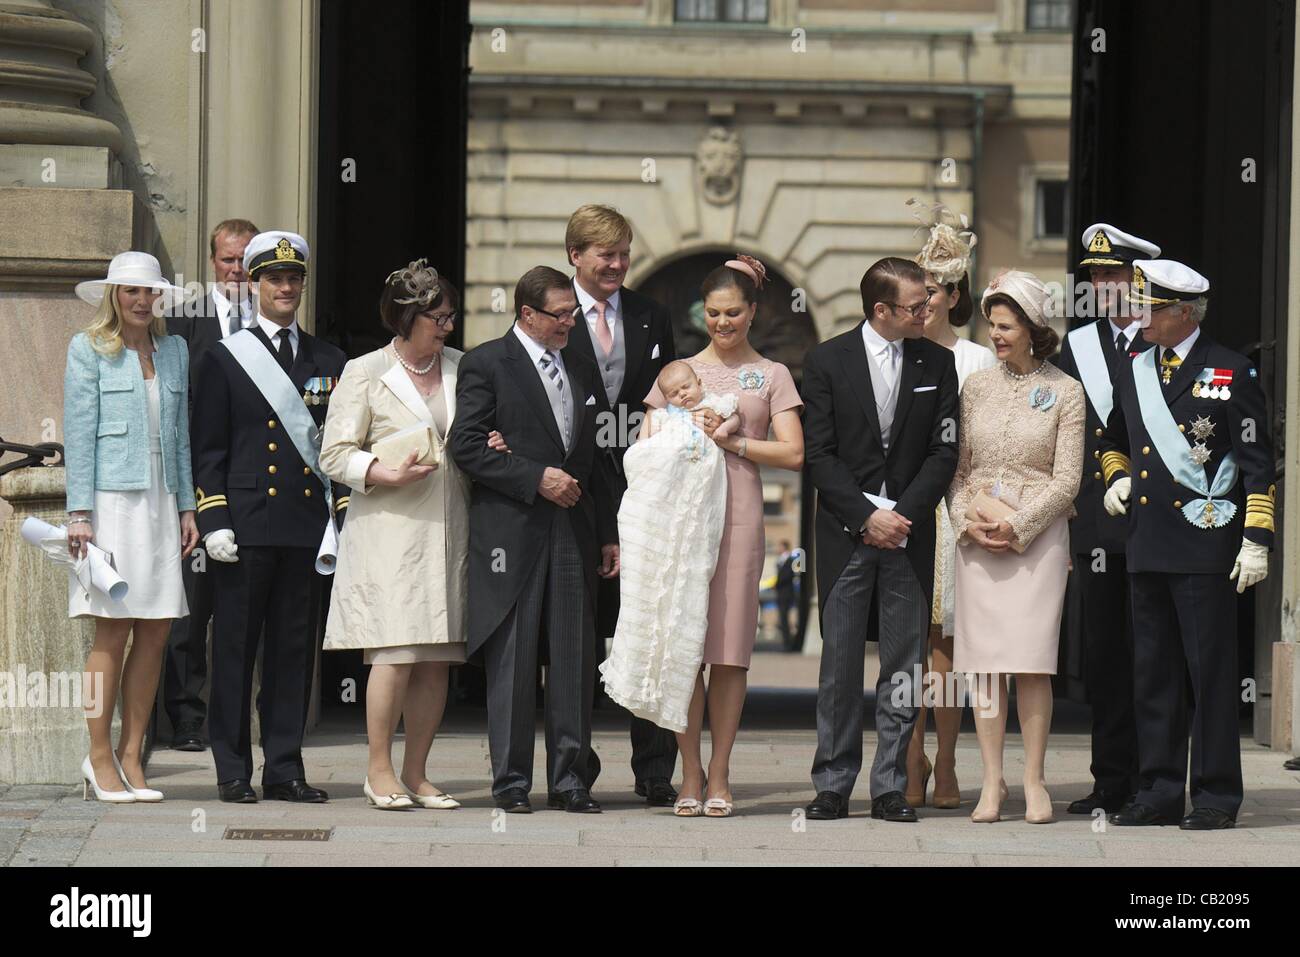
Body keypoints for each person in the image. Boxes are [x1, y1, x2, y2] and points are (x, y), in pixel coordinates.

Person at [1101, 260, 1273, 830]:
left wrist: (1256, 540)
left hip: (1204, 546)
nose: (1140, 315)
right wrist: (1116, 476)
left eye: (1151, 307)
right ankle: (1157, 790)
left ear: (1183, 313)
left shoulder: (1231, 370)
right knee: (1153, 675)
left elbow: (1256, 468)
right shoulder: (1135, 367)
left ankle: (1217, 794)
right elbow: (1112, 438)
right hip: (1148, 543)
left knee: (1210, 675)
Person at [449, 266, 620, 814]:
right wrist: (533, 476)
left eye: (573, 312)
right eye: (561, 315)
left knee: (574, 657)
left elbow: (598, 457)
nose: (572, 322)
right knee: (515, 662)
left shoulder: (580, 363)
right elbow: (467, 446)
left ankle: (572, 781)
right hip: (512, 533)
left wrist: (610, 533)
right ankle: (512, 782)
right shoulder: (486, 362)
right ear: (527, 314)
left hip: (575, 529)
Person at [192, 230, 348, 804]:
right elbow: (207, 448)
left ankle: (284, 768)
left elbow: (337, 445)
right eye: (274, 278)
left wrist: (342, 516)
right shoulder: (224, 357)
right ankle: (232, 769)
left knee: (290, 656)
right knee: (233, 654)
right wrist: (214, 519)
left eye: (294, 278)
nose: (286, 287)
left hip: (305, 527)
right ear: (253, 285)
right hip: (246, 525)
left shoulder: (329, 359)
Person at [645, 254, 804, 817]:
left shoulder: (773, 375)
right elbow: (645, 445)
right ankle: (688, 771)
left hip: (739, 512)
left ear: (753, 312)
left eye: (733, 312)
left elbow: (793, 453)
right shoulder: (677, 372)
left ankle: (720, 772)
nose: (722, 323)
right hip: (682, 519)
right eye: (713, 313)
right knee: (687, 647)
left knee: (731, 651)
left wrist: (734, 443)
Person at [803, 257, 957, 823]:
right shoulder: (825, 360)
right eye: (917, 306)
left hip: (909, 536)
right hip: (847, 534)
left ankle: (891, 784)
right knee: (840, 665)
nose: (928, 311)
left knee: (905, 668)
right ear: (881, 310)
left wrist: (904, 515)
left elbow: (946, 450)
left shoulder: (937, 362)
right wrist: (866, 516)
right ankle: (833, 783)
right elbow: (818, 453)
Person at [318, 260, 468, 810]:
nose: (447, 327)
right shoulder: (365, 370)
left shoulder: (462, 367)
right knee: (396, 652)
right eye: (437, 318)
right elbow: (333, 453)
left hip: (450, 527)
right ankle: (378, 769)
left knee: (436, 656)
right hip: (389, 529)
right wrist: (383, 473)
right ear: (406, 318)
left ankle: (419, 772)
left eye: (450, 317)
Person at [948, 269, 1085, 824]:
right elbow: (957, 472)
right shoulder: (975, 387)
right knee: (983, 668)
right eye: (991, 326)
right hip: (978, 537)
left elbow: (1068, 478)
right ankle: (991, 781)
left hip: (1039, 539)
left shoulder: (1066, 391)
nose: (996, 336)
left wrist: (1020, 526)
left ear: (1033, 328)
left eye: (1005, 327)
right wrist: (967, 521)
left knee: (1031, 664)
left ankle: (1033, 779)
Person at [63, 251, 199, 802]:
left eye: (150, 292)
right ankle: (98, 756)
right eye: (130, 292)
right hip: (110, 504)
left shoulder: (176, 351)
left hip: (162, 502)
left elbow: (182, 435)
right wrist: (78, 514)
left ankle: (131, 755)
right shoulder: (88, 348)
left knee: (159, 628)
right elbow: (78, 431)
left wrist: (189, 507)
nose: (142, 301)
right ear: (113, 296)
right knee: (111, 628)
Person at [558, 204, 680, 806]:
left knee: (651, 625)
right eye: (605, 254)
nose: (617, 264)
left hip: (645, 491)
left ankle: (655, 767)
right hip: (575, 493)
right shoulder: (551, 316)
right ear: (575, 255)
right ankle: (574, 767)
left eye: (624, 252)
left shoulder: (653, 316)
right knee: (576, 635)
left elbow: (673, 398)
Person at [1054, 223, 1160, 815]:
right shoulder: (1079, 345)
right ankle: (1110, 777)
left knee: (1154, 651)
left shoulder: (1163, 337)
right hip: (1097, 521)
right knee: (1106, 653)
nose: (1102, 284)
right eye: (1095, 275)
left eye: (1113, 274)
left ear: (1138, 278)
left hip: (1154, 518)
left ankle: (1157, 775)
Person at [904, 201, 995, 809]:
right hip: (905, 507)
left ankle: (947, 761)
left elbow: (986, 444)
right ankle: (906, 759)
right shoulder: (894, 351)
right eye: (918, 289)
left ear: (953, 297)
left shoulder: (978, 360)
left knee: (948, 645)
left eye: (935, 290)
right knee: (904, 641)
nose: (925, 301)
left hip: (957, 509)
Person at [598, 361, 736, 738]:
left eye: (687, 388)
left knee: (684, 599)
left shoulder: (713, 405)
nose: (683, 396)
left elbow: (731, 421)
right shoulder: (660, 417)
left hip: (696, 508)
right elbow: (640, 457)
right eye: (675, 393)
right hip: (660, 505)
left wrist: (722, 428)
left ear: (700, 382)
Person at [163, 217, 259, 752]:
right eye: (229, 260)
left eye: (248, 259)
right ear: (212, 263)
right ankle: (186, 718)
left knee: (247, 608)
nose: (239, 270)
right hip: (200, 481)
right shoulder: (182, 319)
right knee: (191, 609)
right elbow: (177, 408)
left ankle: (241, 717)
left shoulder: (277, 316)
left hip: (256, 481)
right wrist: (187, 494)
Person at [774, 540, 798, 652]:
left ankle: (788, 644)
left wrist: (777, 584)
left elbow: (787, 576)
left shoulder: (789, 560)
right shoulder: (781, 560)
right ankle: (786, 643)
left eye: (779, 546)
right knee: (782, 619)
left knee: (784, 619)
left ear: (784, 547)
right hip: (782, 594)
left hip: (786, 594)